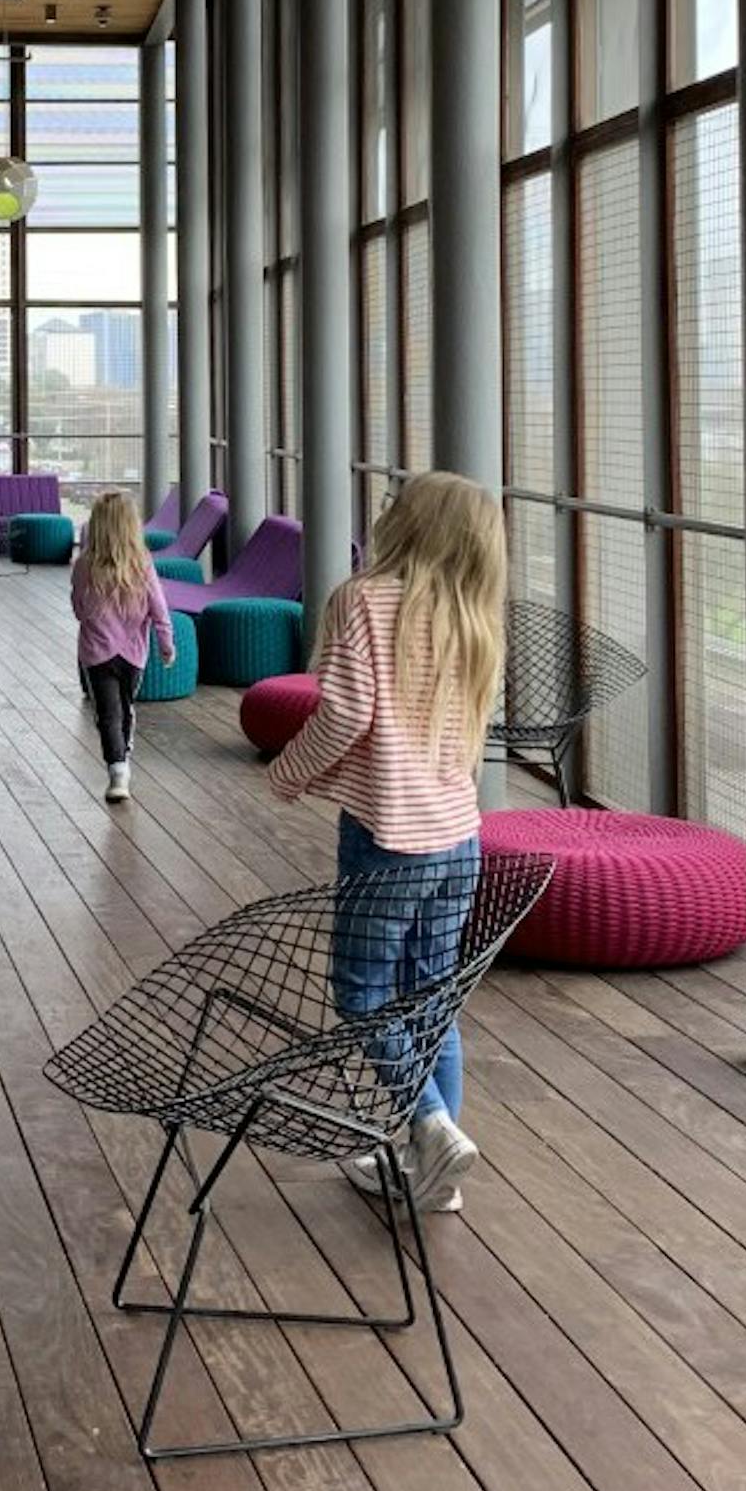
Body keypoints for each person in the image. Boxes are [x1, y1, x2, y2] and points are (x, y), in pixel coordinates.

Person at [268, 472, 506, 1214]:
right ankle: (433, 1173)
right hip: (458, 840)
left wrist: (289, 774)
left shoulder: (363, 601)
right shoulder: (473, 616)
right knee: (433, 999)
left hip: (388, 838)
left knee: (363, 990)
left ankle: (430, 1129)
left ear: (413, 525)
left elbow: (344, 716)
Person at [70, 491, 177, 806]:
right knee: (125, 708)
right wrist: (167, 644)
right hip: (134, 655)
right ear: (132, 526)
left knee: (107, 714)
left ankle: (117, 770)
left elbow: (78, 609)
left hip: (95, 653)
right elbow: (159, 609)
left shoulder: (83, 565)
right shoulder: (142, 564)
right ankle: (121, 766)